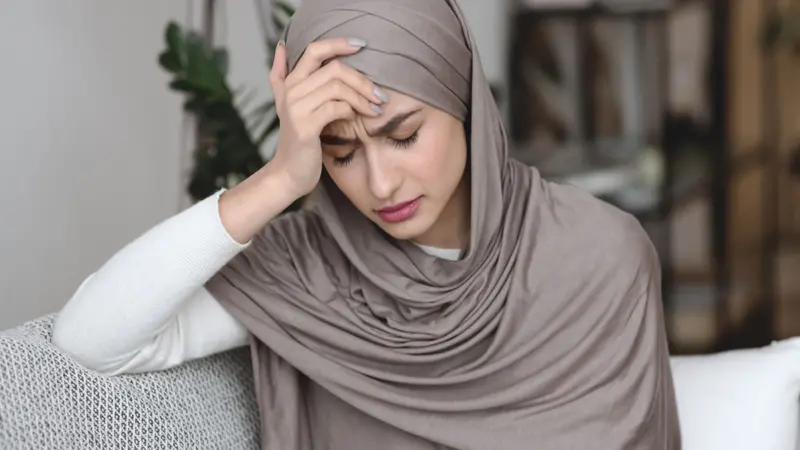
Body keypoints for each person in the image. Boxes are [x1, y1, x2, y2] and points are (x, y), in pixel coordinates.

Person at [52, 0, 682, 448]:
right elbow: (90, 339)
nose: (380, 185)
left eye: (402, 134)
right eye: (341, 153)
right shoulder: (305, 269)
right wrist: (276, 181)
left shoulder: (599, 256)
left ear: (464, 100)